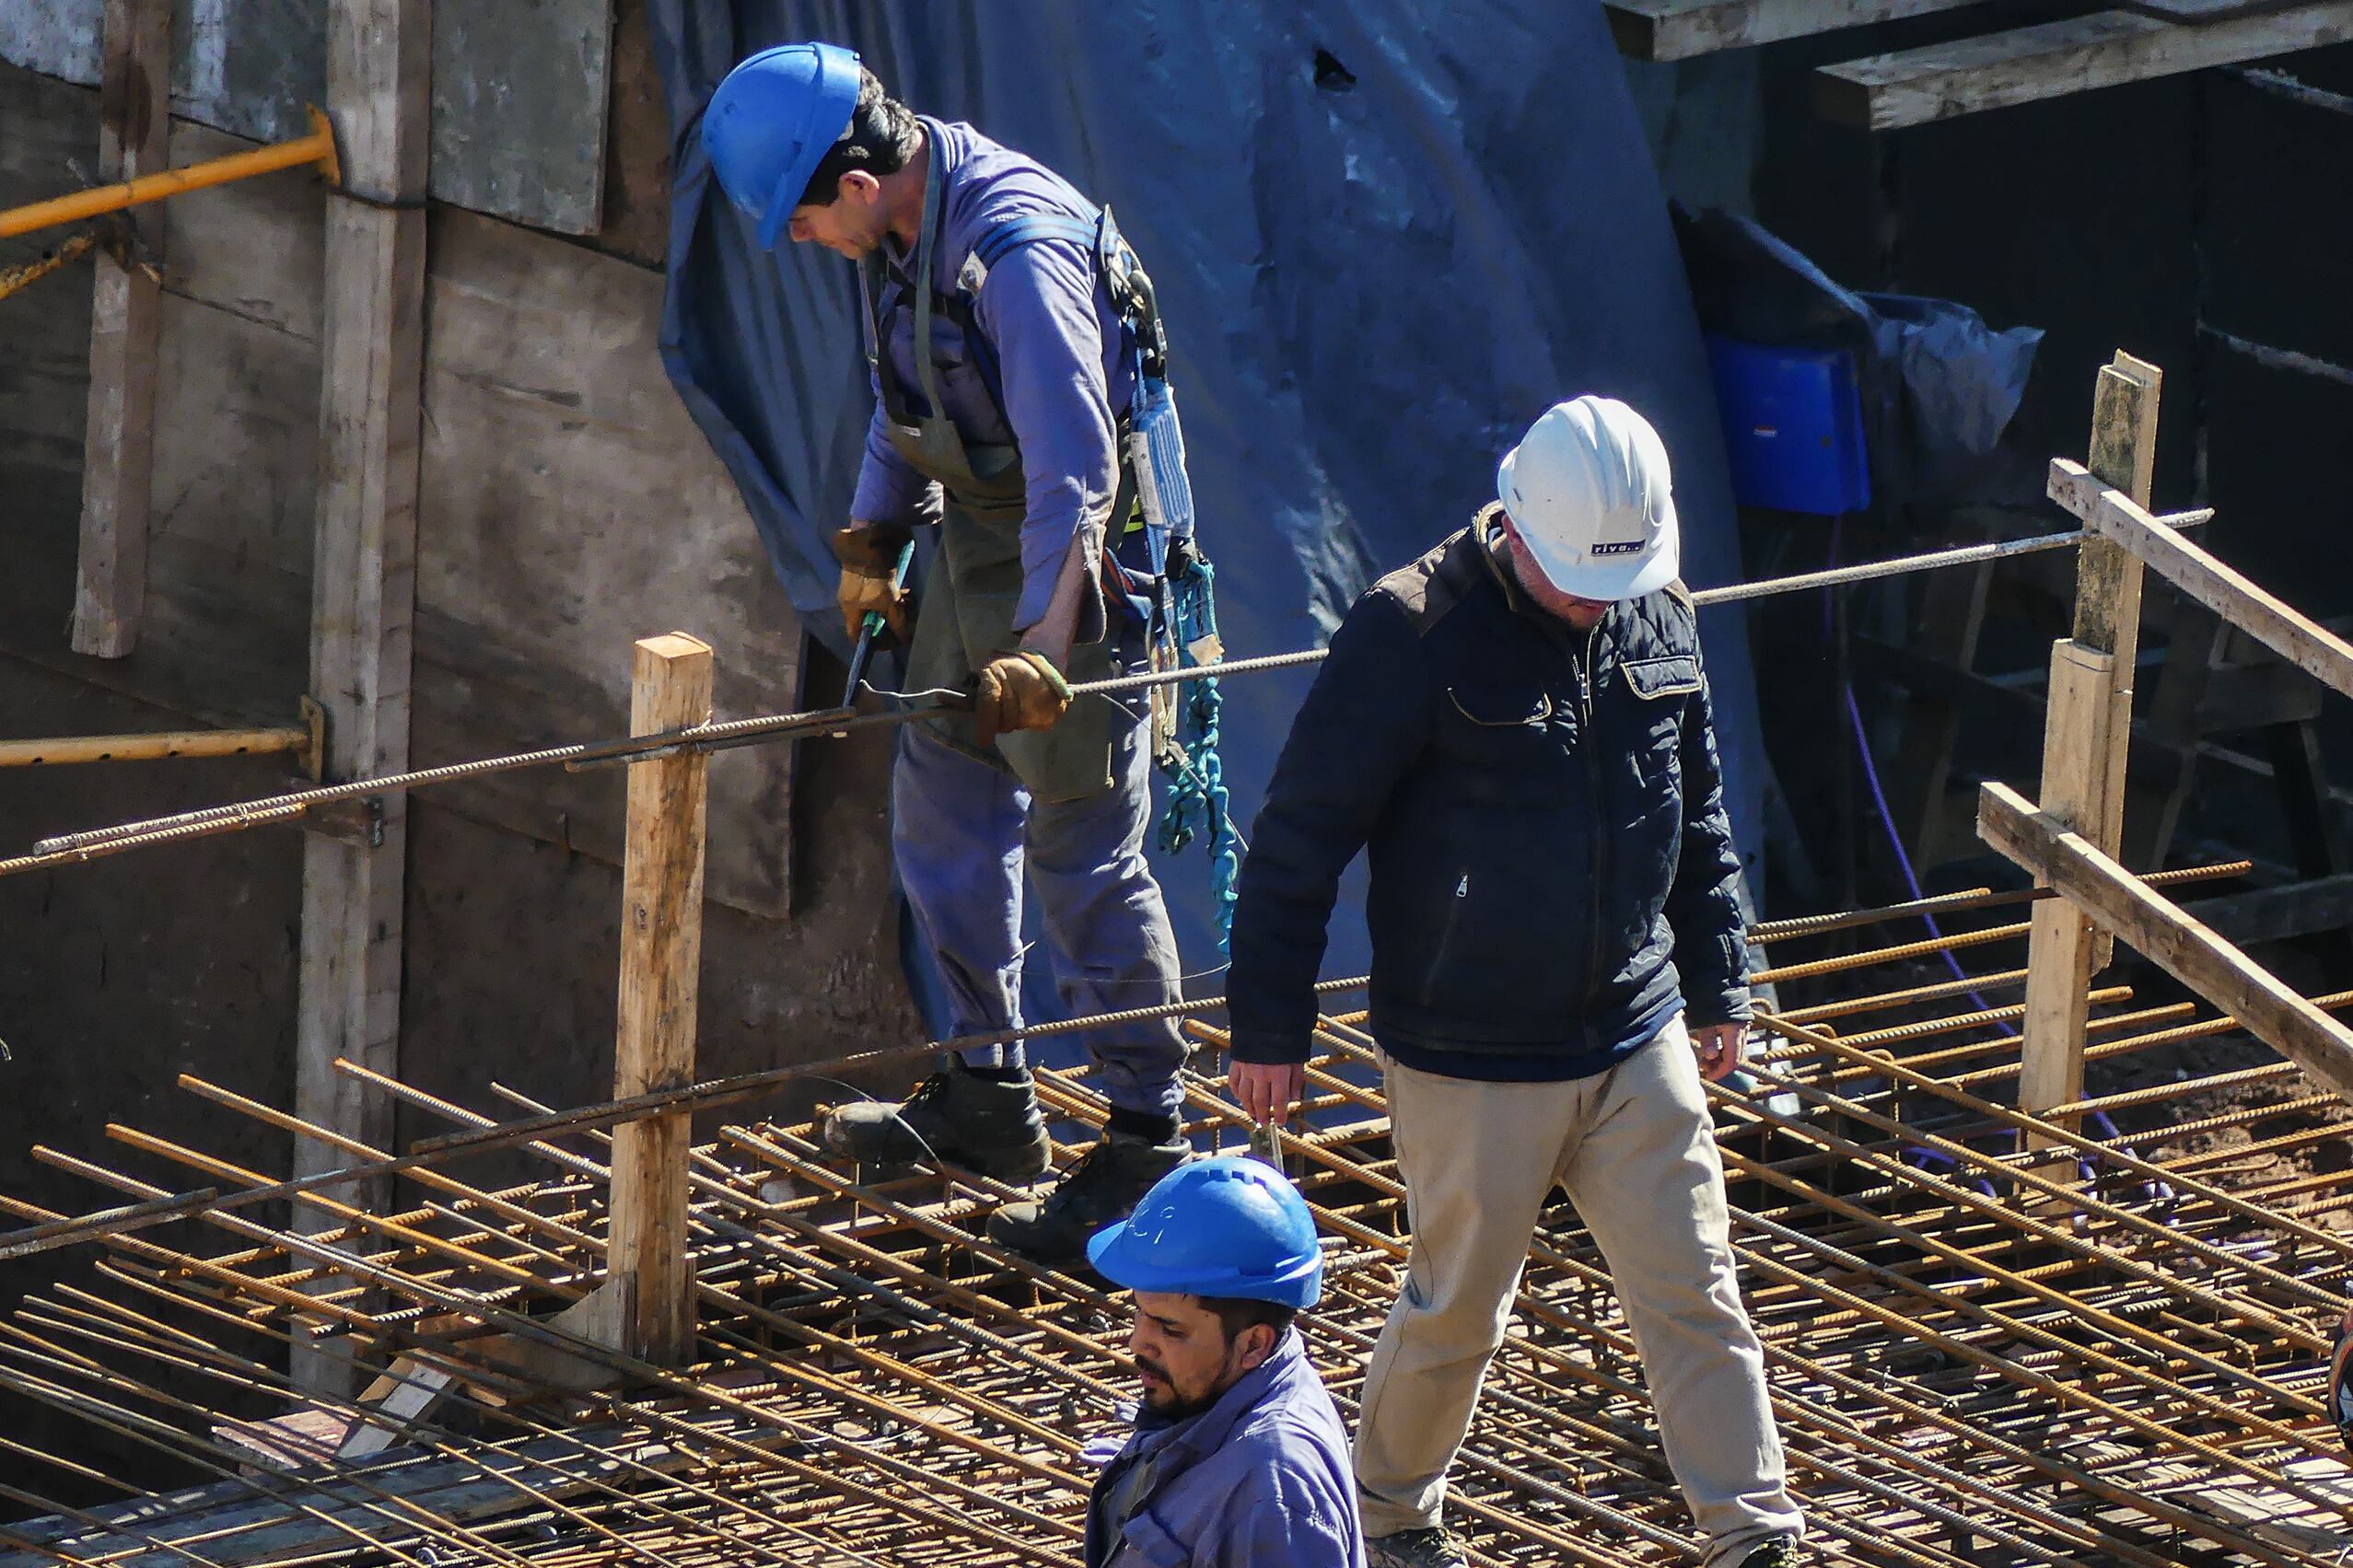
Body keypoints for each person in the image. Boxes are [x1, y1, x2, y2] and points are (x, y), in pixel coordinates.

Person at [1220, 397, 1806, 1568]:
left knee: (1695, 1285)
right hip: (1469, 1048)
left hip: (1632, 1025)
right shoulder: (1411, 628)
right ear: (1517, 530)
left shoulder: (1653, 606)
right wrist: (1269, 1023)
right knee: (1457, 1308)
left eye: (1619, 577)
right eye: (1581, 578)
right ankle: (1384, 1515)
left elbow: (1695, 810)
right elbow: (1300, 832)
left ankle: (1754, 1534)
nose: (1600, 599)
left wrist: (1717, 976)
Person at [702, 43, 1192, 1260]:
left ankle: (1146, 1140)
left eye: (803, 216)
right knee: (943, 821)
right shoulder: (902, 238)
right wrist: (869, 531)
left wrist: (1042, 648)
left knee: (1082, 853)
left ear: (857, 182)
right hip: (973, 546)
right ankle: (986, 1096)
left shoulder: (1014, 254)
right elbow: (900, 394)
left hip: (1075, 572)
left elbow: (1075, 477)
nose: (802, 239)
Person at [1082, 1156, 1366, 1567]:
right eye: (1139, 1313)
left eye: (1171, 1329)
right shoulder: (1217, 1395)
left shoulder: (1273, 1492)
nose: (1137, 1341)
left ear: (1253, 1346)